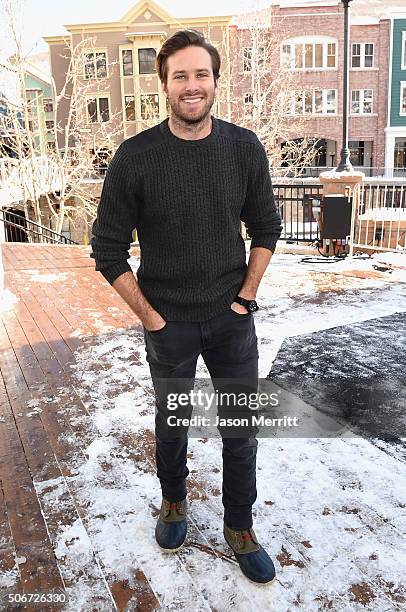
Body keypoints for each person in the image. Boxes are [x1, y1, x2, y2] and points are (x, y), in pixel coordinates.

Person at [90, 29, 282, 585]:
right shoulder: (136, 157)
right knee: (172, 424)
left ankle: (240, 525)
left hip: (230, 320)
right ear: (165, 85)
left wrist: (246, 296)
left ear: (216, 82)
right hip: (167, 321)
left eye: (201, 74)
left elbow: (266, 227)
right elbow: (106, 247)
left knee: (239, 428)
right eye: (181, 76)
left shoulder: (243, 147)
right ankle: (173, 501)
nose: (192, 85)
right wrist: (151, 317)